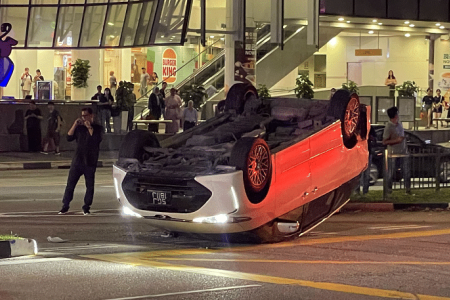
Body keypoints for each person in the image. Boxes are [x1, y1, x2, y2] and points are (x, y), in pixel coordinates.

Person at [58, 107, 103, 215]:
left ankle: (86, 206)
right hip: (77, 161)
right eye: (82, 116)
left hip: (90, 162)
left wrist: (89, 128)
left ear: (91, 116)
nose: (84, 118)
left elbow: (95, 140)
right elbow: (69, 137)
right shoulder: (79, 128)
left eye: (86, 115)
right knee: (70, 184)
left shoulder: (97, 128)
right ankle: (65, 205)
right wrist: (75, 124)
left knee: (90, 186)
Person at [382, 106, 411, 195]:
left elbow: (402, 136)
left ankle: (408, 190)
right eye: (397, 113)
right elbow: (384, 142)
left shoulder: (400, 124)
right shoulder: (388, 127)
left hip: (403, 152)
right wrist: (396, 141)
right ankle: (389, 190)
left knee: (406, 172)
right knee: (390, 173)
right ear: (395, 115)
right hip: (393, 154)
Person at [356, 126, 376, 195]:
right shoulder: (357, 127)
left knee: (366, 173)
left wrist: (370, 137)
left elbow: (374, 139)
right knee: (358, 173)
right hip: (359, 153)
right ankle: (357, 190)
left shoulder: (370, 128)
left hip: (367, 152)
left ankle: (365, 191)